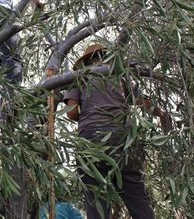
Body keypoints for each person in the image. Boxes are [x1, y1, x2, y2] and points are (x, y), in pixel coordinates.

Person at [63, 44, 172, 219]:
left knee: (96, 199)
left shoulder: (80, 78)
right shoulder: (120, 76)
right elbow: (143, 102)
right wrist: (161, 114)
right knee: (136, 195)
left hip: (91, 140)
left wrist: (89, 121)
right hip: (123, 137)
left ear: (87, 61)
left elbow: (71, 112)